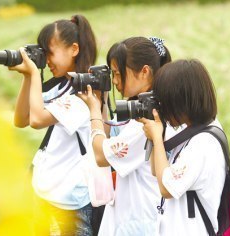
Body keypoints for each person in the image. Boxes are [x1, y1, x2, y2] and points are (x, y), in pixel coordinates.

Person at [9, 14, 97, 235]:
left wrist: (34, 76)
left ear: (74, 49)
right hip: (45, 192)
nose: (46, 60)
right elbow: (21, 119)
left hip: (71, 205)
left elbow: (38, 121)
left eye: (50, 53)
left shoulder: (85, 91)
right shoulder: (60, 86)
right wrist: (28, 77)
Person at [78, 36, 175, 235]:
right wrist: (101, 100)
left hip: (141, 218)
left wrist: (94, 111)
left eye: (117, 73)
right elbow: (106, 138)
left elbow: (101, 155)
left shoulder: (147, 119)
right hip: (137, 215)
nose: (114, 81)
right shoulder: (146, 108)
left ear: (145, 72)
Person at [138, 59, 226, 235]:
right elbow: (158, 172)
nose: (162, 108)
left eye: (166, 102)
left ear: (181, 100)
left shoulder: (204, 144)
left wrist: (156, 137)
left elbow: (166, 187)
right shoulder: (194, 131)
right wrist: (158, 136)